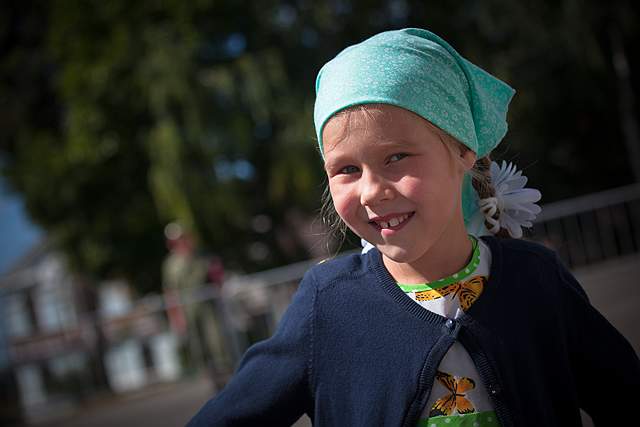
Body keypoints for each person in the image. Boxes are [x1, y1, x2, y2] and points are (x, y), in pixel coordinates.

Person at [188, 28, 640, 426]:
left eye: (396, 157)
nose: (370, 191)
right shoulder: (326, 304)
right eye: (346, 169)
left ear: (463, 150)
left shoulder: (537, 278)